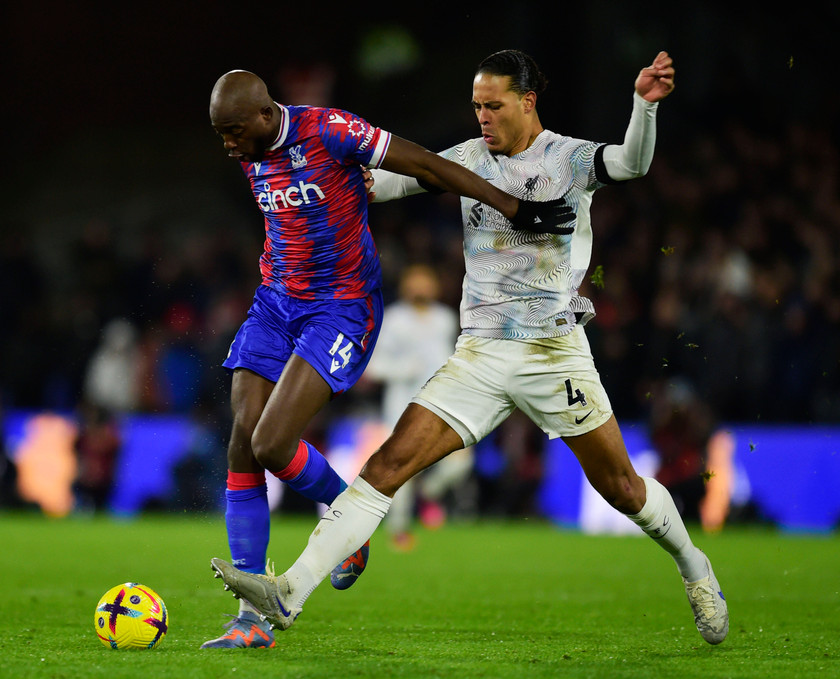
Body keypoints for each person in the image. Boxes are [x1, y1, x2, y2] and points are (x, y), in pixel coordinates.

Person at [210, 50, 730, 648]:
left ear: (528, 101)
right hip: (479, 356)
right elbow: (375, 181)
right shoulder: (462, 160)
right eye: (476, 105)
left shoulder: (569, 158)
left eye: (494, 105)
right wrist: (325, 172)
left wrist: (643, 106)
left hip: (552, 353)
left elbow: (631, 165)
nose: (481, 116)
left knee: (622, 489)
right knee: (384, 469)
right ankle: (290, 591)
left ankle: (695, 567)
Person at [201, 69, 576, 649]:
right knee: (241, 441)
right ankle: (249, 620)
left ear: (264, 115)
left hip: (340, 307)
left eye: (231, 131)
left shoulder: (329, 131)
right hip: (275, 302)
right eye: (219, 133)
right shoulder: (249, 149)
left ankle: (346, 522)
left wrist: (512, 207)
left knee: (272, 444)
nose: (226, 144)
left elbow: (426, 165)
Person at [363, 264, 474, 549]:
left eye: (426, 283)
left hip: (442, 405)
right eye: (415, 283)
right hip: (402, 408)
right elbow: (372, 367)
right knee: (401, 471)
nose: (421, 289)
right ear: (406, 287)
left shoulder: (446, 319)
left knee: (460, 463)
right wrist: (403, 369)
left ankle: (429, 492)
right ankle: (399, 530)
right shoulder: (395, 320)